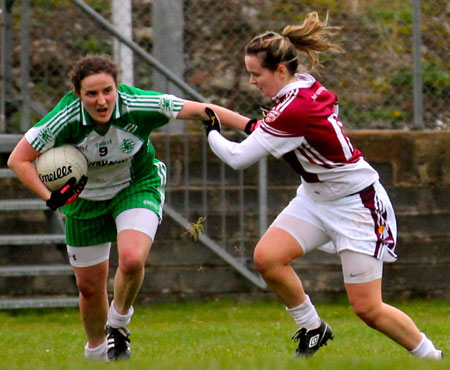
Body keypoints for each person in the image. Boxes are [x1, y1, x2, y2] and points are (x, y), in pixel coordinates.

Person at [201, 12, 443, 359]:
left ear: (280, 71)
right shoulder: (301, 87)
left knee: (367, 308)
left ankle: (431, 358)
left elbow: (239, 158)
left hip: (357, 204)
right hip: (315, 198)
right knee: (268, 258)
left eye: (256, 74)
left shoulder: (295, 108)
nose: (252, 82)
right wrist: (219, 114)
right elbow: (266, 129)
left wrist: (210, 130)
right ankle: (313, 327)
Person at [7, 54, 249, 361]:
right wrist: (52, 198)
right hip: (84, 201)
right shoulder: (64, 118)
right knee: (90, 288)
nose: (101, 100)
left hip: (135, 186)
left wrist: (250, 125)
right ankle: (97, 352)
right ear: (77, 95)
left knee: (132, 258)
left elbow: (201, 110)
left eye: (107, 90)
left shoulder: (139, 104)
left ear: (117, 88)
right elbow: (18, 159)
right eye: (91, 94)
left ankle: (118, 325)